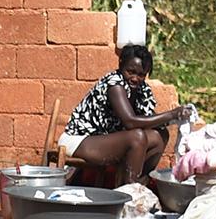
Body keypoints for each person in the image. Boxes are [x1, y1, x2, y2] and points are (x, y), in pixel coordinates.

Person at [58, 43, 191, 184]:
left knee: (160, 135)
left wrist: (175, 118)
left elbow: (149, 119)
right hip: (80, 140)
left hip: (106, 140)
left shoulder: (142, 91)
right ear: (121, 65)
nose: (135, 78)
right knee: (137, 137)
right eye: (130, 71)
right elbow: (130, 122)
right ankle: (128, 191)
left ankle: (139, 183)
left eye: (141, 75)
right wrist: (171, 114)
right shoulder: (114, 84)